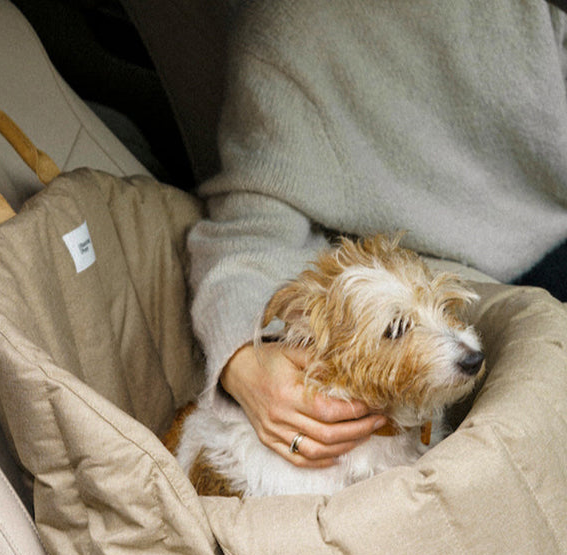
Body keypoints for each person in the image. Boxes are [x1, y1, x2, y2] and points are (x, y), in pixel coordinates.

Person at [187, 0, 567, 467]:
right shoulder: (290, 32)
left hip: (545, 235)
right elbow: (245, 231)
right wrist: (243, 363)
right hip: (446, 279)